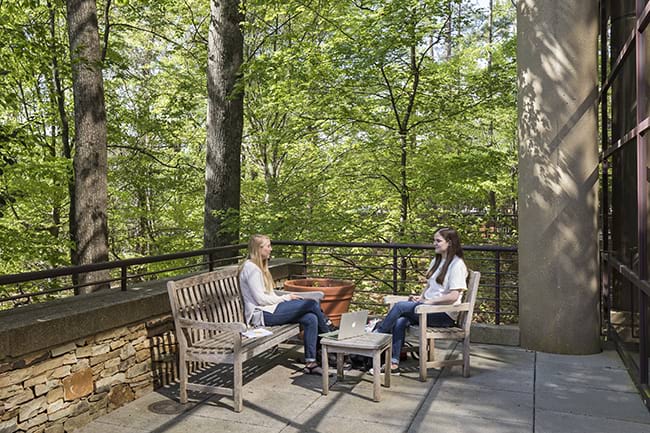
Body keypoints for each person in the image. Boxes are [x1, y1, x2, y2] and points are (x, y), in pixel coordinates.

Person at [372, 227, 468, 375]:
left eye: (438, 241)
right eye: (434, 240)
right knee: (400, 320)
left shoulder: (457, 265)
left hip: (443, 314)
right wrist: (422, 298)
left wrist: (429, 302)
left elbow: (453, 296)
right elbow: (430, 286)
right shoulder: (437, 261)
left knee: (399, 306)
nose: (434, 244)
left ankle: (375, 337)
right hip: (427, 309)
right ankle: (394, 362)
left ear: (449, 242)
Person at [238, 234, 331, 375]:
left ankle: (311, 363)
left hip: (270, 310)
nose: (271, 249)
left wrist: (286, 298)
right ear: (259, 248)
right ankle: (330, 338)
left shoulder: (260, 267)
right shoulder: (251, 268)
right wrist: (286, 298)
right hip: (261, 314)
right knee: (311, 304)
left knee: (310, 318)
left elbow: (270, 295)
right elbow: (260, 299)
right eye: (268, 246)